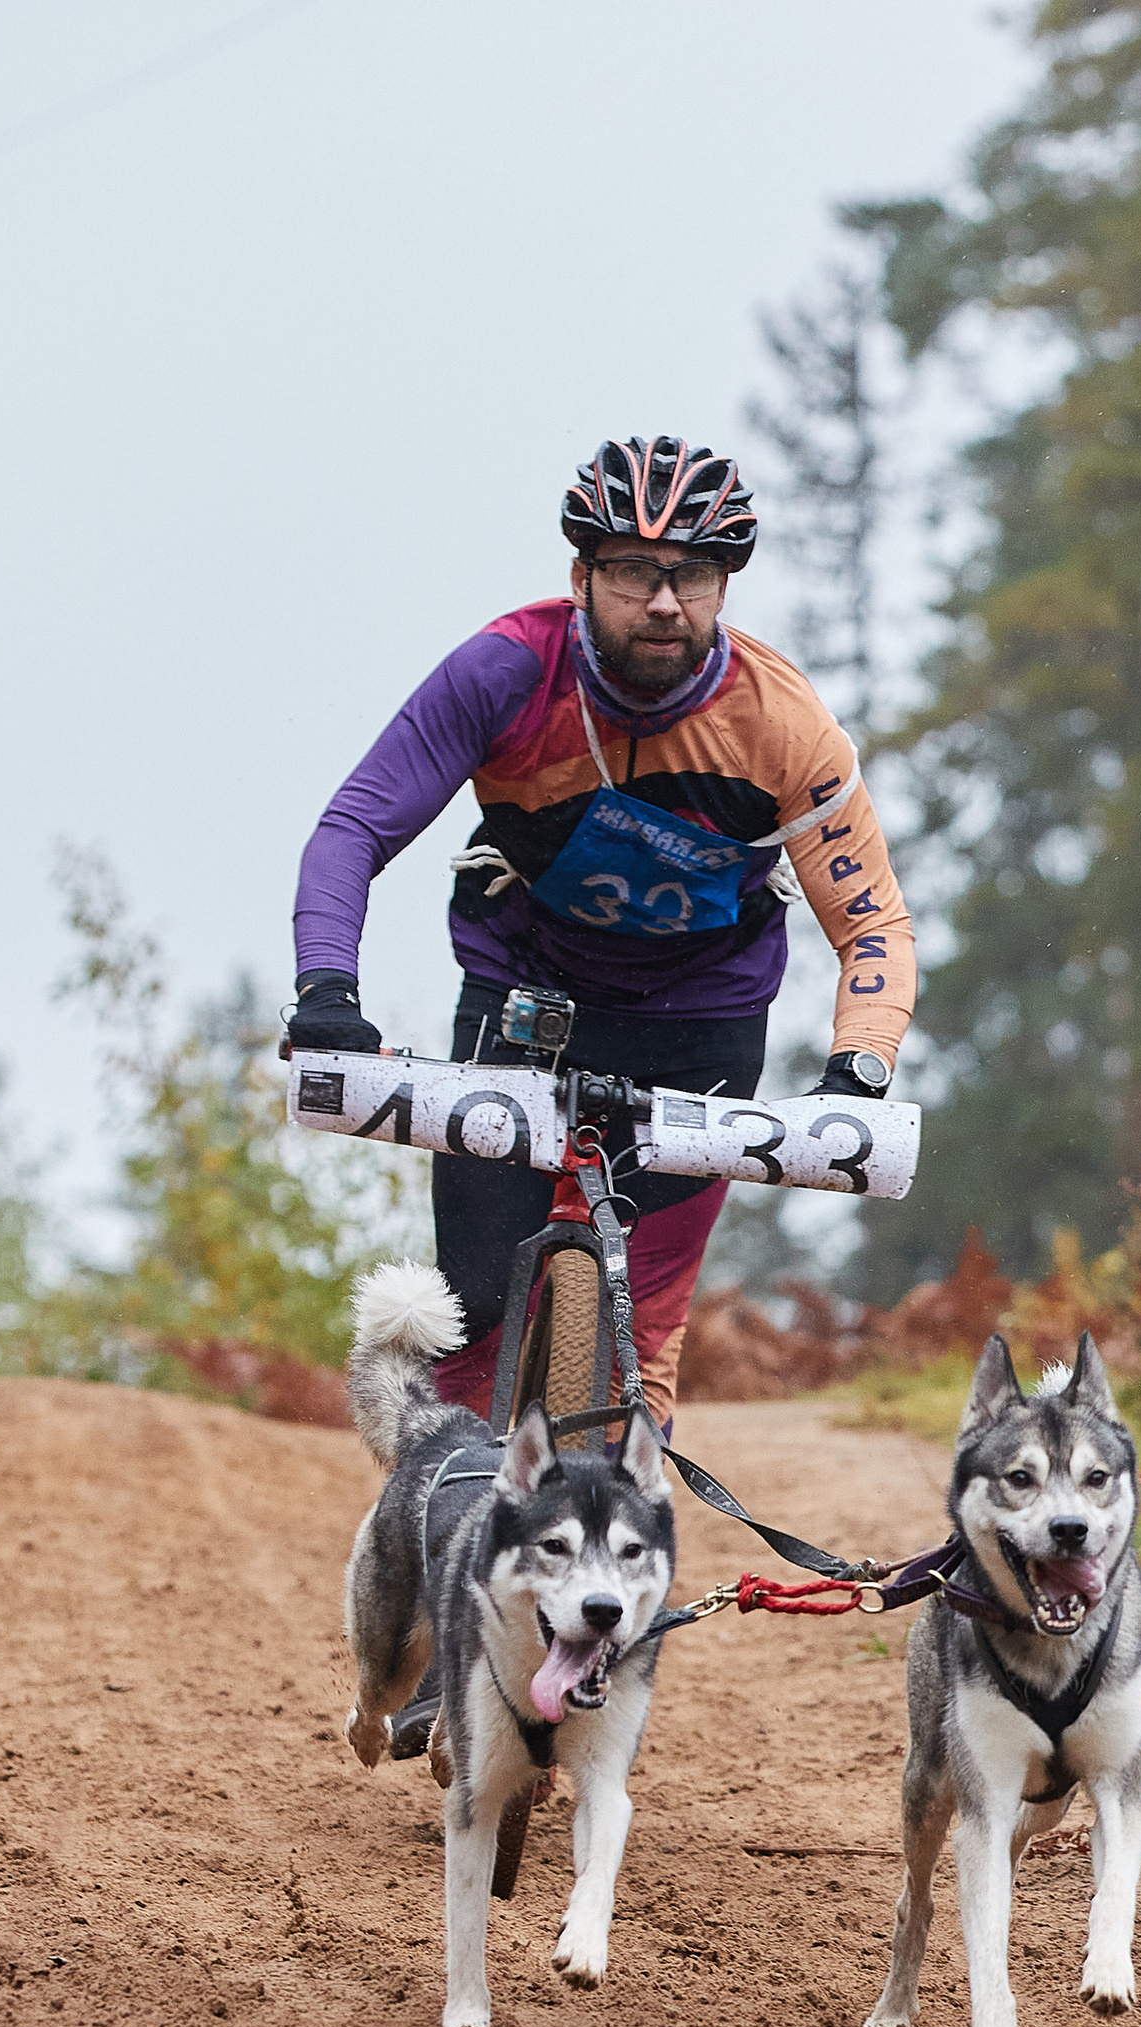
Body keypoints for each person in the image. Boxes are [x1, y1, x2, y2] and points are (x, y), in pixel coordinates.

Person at [287, 433, 917, 1432]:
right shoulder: (502, 672)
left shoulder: (784, 724)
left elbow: (873, 919)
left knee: (643, 1334)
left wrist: (860, 1068)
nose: (665, 601)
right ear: (580, 577)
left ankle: (628, 1555)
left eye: (694, 573)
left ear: (723, 586)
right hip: (525, 994)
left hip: (700, 1022)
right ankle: (453, 1533)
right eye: (633, 571)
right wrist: (326, 989)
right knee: (476, 1318)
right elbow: (354, 827)